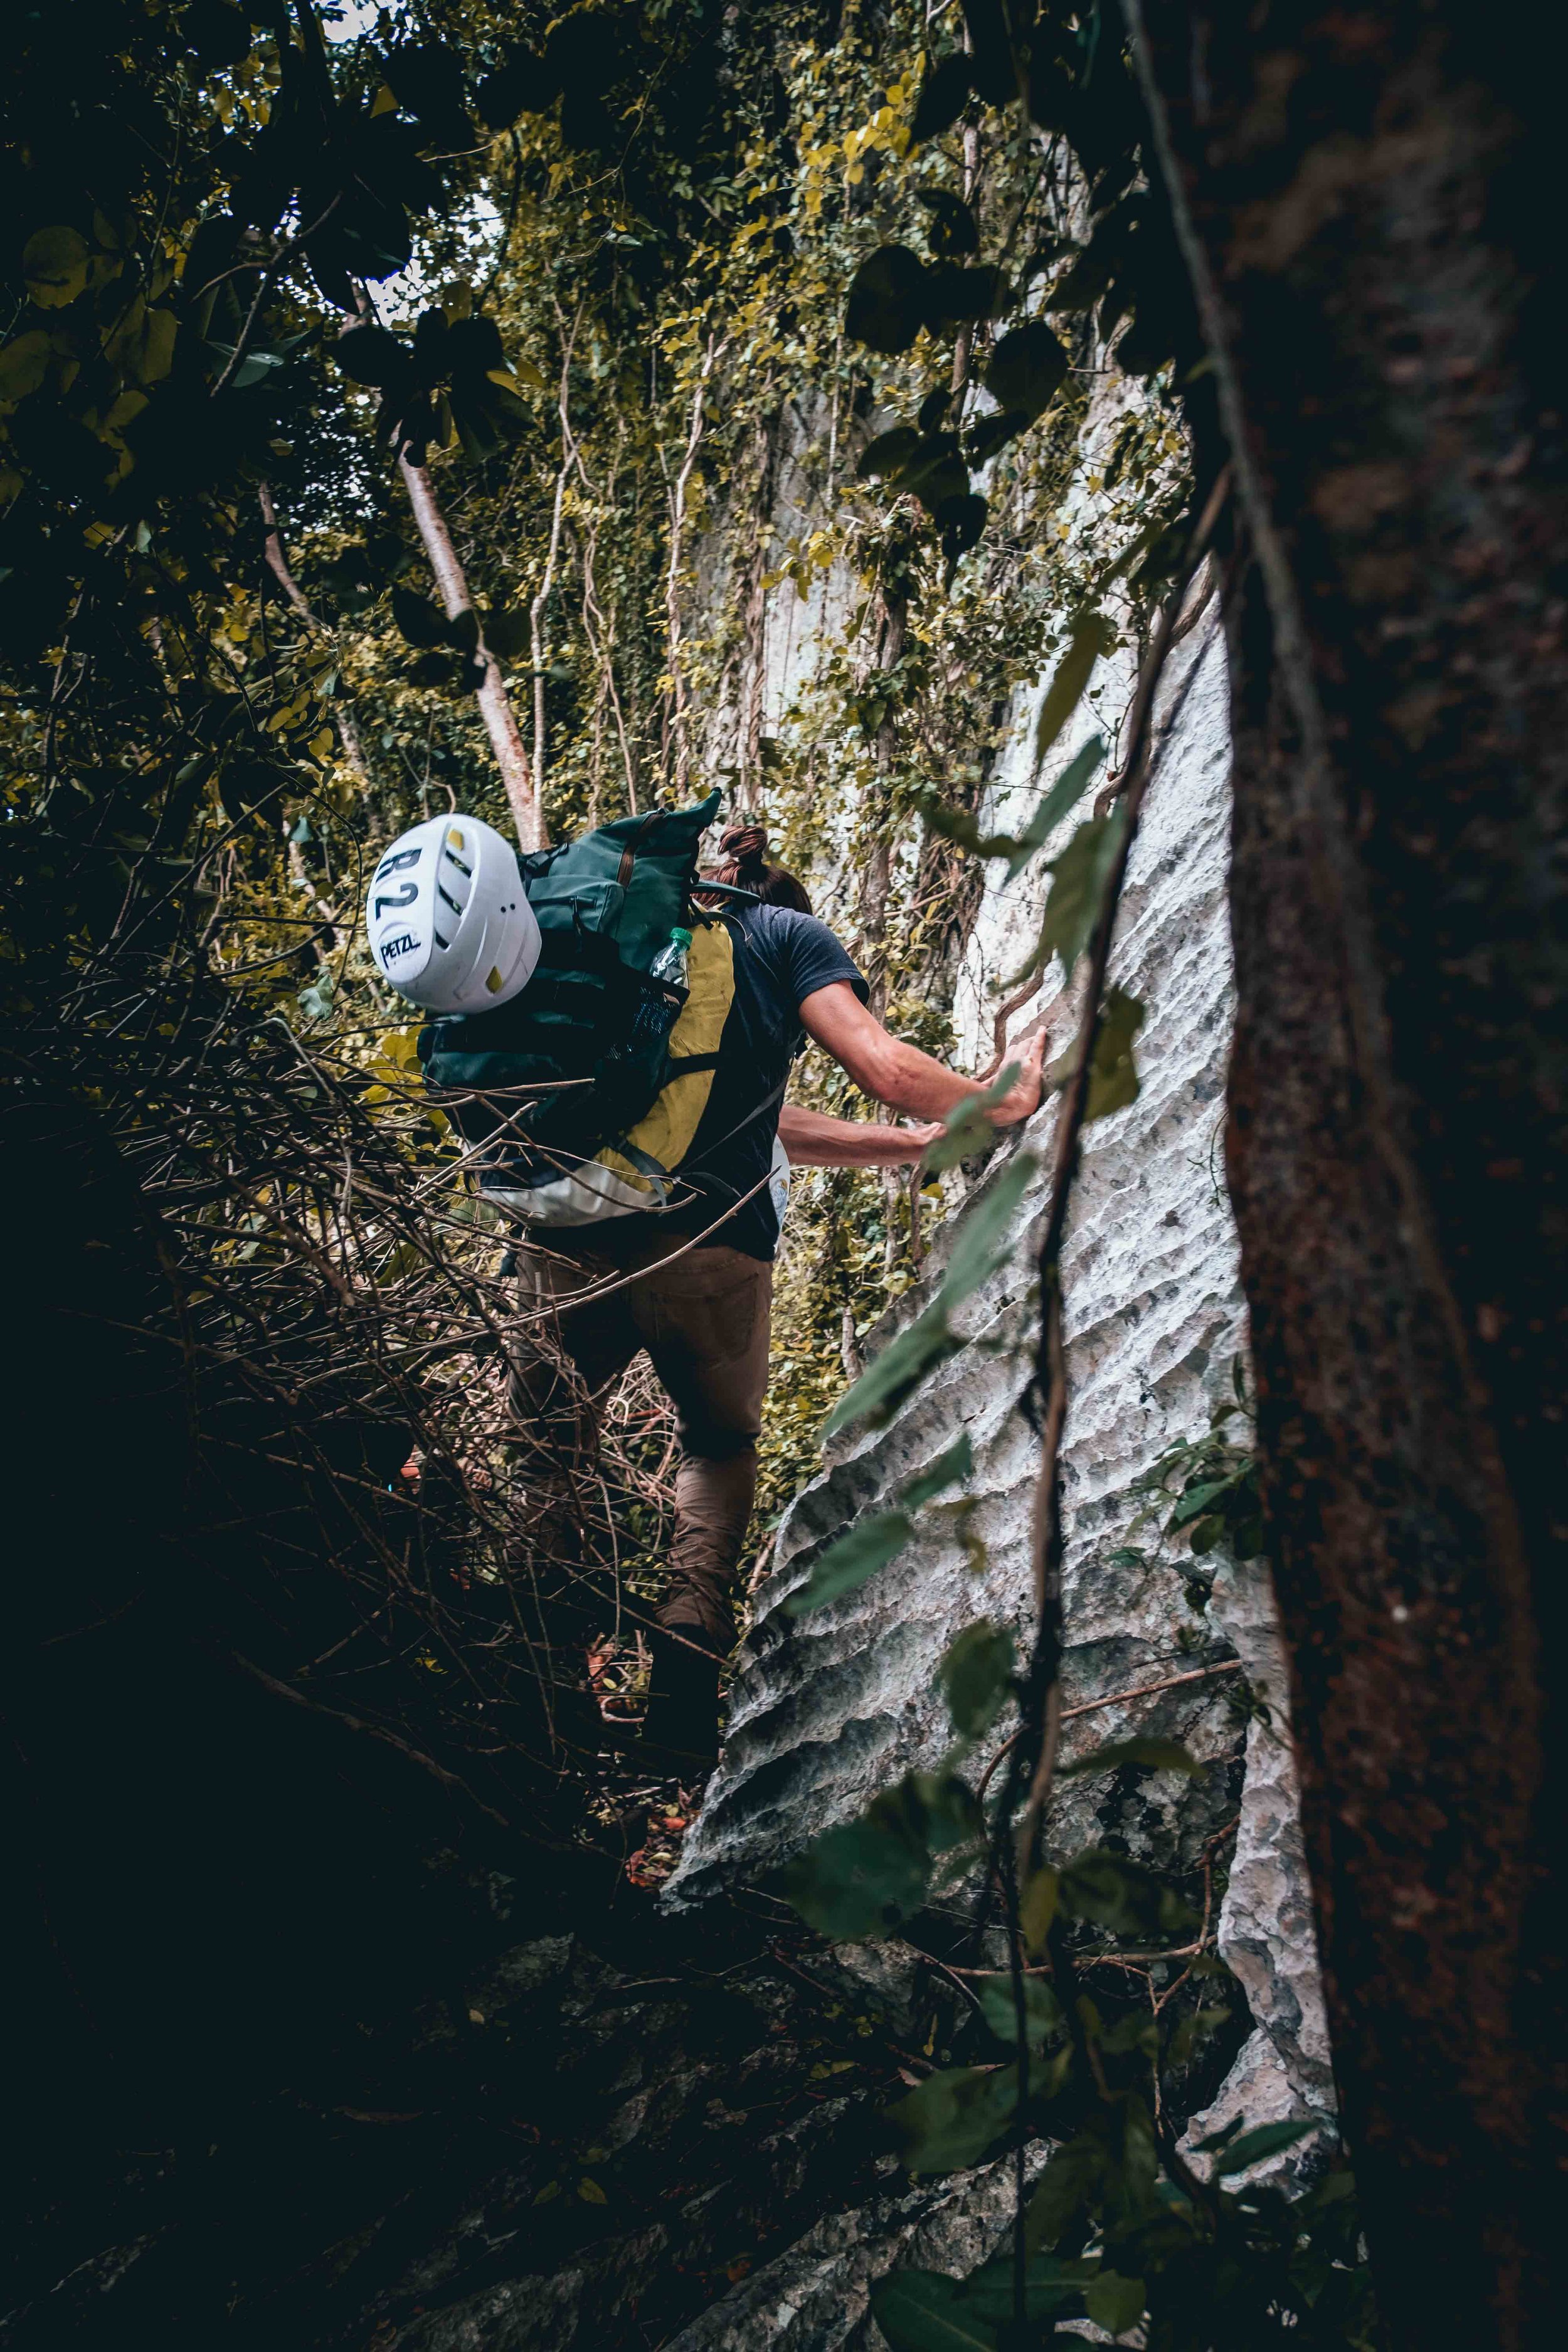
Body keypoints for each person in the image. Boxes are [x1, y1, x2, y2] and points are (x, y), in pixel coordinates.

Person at [506, 822, 1044, 1773]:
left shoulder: (623, 935)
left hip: (562, 1240)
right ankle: (681, 1668)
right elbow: (879, 1066)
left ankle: (546, 1690)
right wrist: (1000, 1100)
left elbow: (778, 1123)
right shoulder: (786, 939)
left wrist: (912, 1151)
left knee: (550, 1448)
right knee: (717, 1447)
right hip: (711, 1251)